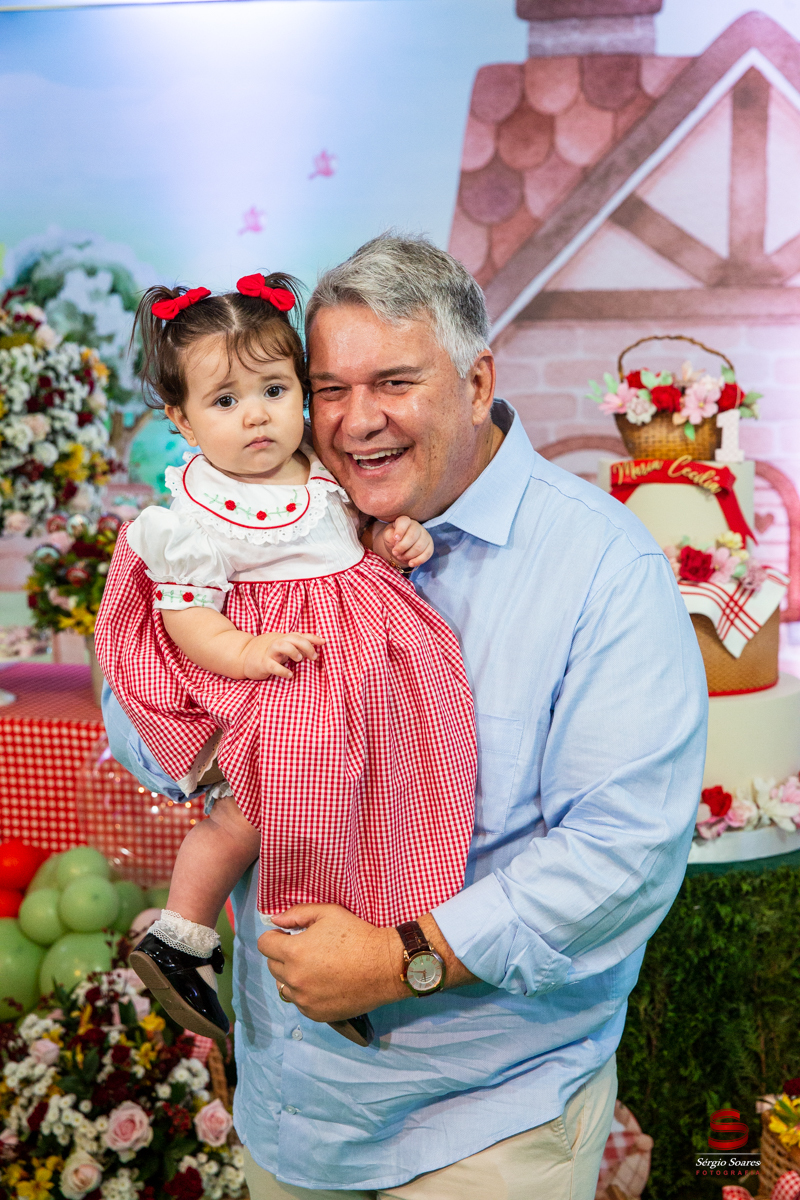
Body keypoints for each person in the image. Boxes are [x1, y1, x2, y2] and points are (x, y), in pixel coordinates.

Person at [103, 235, 708, 1200]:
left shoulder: (603, 569)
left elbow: (621, 852)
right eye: (328, 388)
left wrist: (403, 960)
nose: (356, 421)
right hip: (290, 1108)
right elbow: (138, 712)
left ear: (477, 383)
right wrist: (234, 718)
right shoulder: (263, 513)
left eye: (394, 382)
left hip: (484, 1122)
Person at [95, 271, 477, 1050]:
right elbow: (188, 617)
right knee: (261, 812)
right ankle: (181, 934)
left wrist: (394, 542)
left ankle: (346, 956)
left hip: (356, 674)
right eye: (225, 401)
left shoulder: (322, 469)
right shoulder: (197, 513)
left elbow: (351, 541)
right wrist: (245, 650)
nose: (256, 415)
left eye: (274, 389)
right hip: (277, 675)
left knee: (366, 806)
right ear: (182, 419)